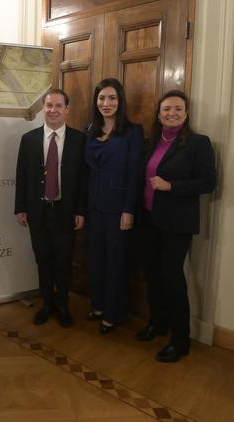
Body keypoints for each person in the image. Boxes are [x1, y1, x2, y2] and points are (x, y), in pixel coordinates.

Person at [136, 90, 216, 362]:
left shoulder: (198, 143)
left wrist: (171, 186)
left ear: (186, 113)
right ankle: (157, 323)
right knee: (152, 274)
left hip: (176, 222)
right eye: (166, 109)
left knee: (172, 278)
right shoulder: (150, 143)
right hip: (149, 219)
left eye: (178, 108)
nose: (172, 113)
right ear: (159, 114)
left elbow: (208, 182)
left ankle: (180, 340)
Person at [14, 88, 87, 328]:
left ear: (67, 109)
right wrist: (20, 208)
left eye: (58, 106)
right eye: (49, 105)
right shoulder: (29, 140)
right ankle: (47, 303)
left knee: (64, 261)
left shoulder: (79, 140)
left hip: (66, 211)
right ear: (43, 108)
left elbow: (84, 180)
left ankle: (63, 304)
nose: (53, 110)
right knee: (42, 260)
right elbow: (21, 176)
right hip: (38, 211)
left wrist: (81, 210)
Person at [84, 78, 143, 334]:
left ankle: (114, 312)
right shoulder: (90, 130)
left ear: (120, 101)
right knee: (96, 258)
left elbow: (135, 173)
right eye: (101, 98)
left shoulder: (133, 132)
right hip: (93, 206)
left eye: (111, 98)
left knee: (116, 261)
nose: (106, 103)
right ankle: (98, 305)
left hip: (118, 209)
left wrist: (129, 209)